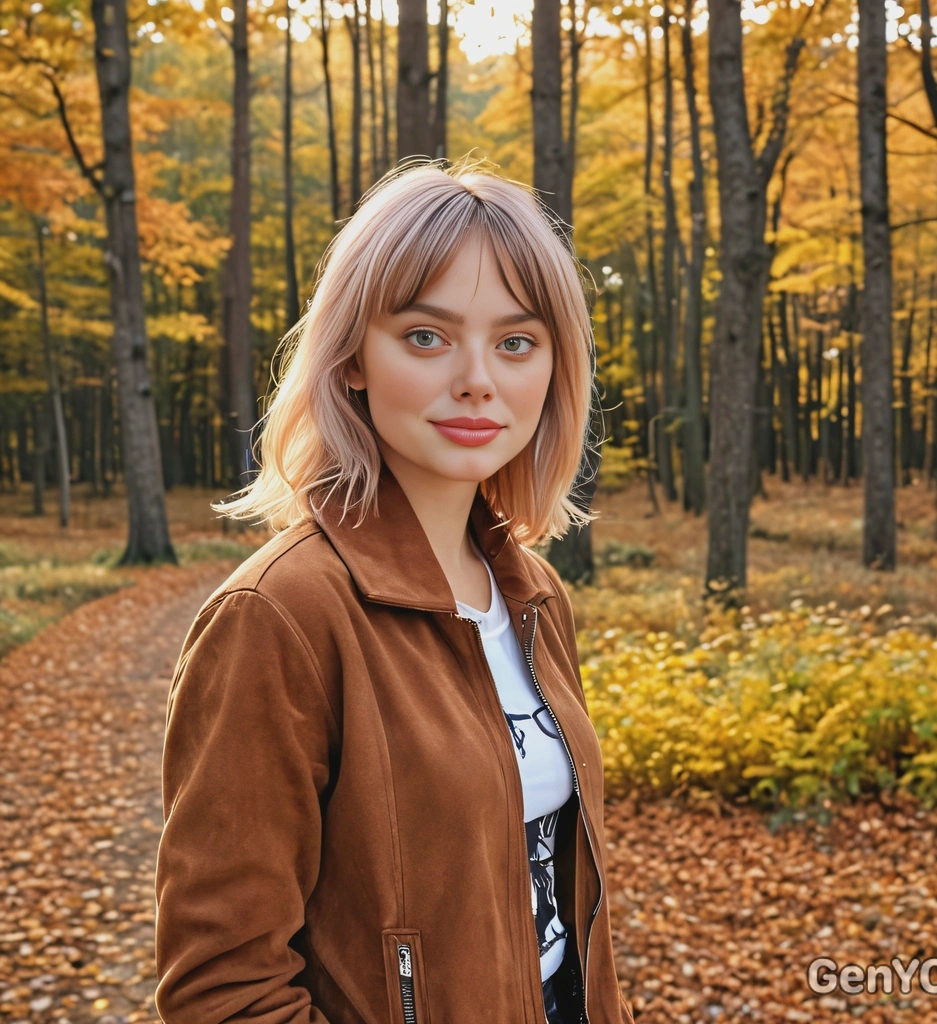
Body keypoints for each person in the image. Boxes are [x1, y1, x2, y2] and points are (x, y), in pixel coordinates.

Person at [154, 157, 635, 1024]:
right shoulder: (281, 616)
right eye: (426, 336)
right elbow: (221, 991)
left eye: (517, 341)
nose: (478, 378)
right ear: (351, 362)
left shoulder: (532, 595)